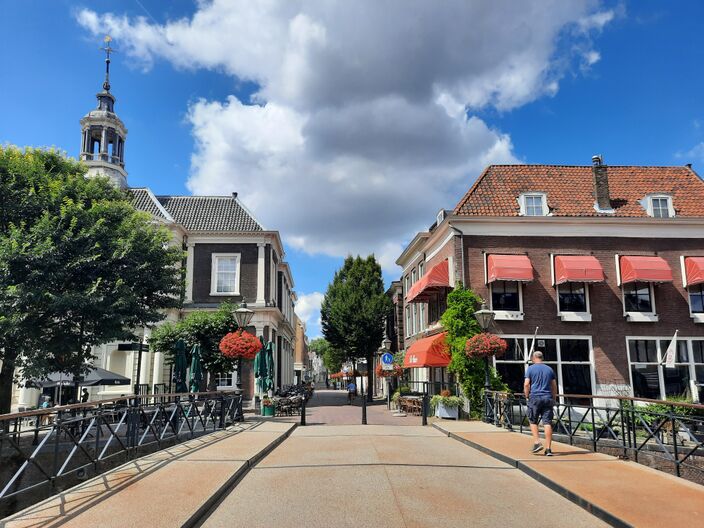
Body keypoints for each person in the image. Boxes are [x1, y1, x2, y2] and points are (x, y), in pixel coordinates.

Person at [524, 350, 557, 456]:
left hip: (535, 397)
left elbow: (526, 384)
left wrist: (527, 396)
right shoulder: (549, 369)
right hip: (547, 397)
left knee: (533, 420)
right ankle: (548, 449)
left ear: (533, 358)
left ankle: (537, 442)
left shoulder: (530, 369)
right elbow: (554, 386)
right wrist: (554, 397)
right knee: (547, 422)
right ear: (542, 358)